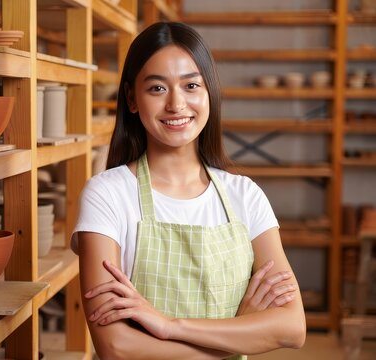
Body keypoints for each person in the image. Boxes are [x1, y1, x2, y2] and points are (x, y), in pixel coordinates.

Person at [71, 22, 306, 359]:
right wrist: (238, 332)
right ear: (131, 99)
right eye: (157, 89)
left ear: (209, 92)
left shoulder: (245, 196)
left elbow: (292, 327)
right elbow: (116, 346)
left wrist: (169, 325)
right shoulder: (108, 195)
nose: (176, 104)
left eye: (191, 85)